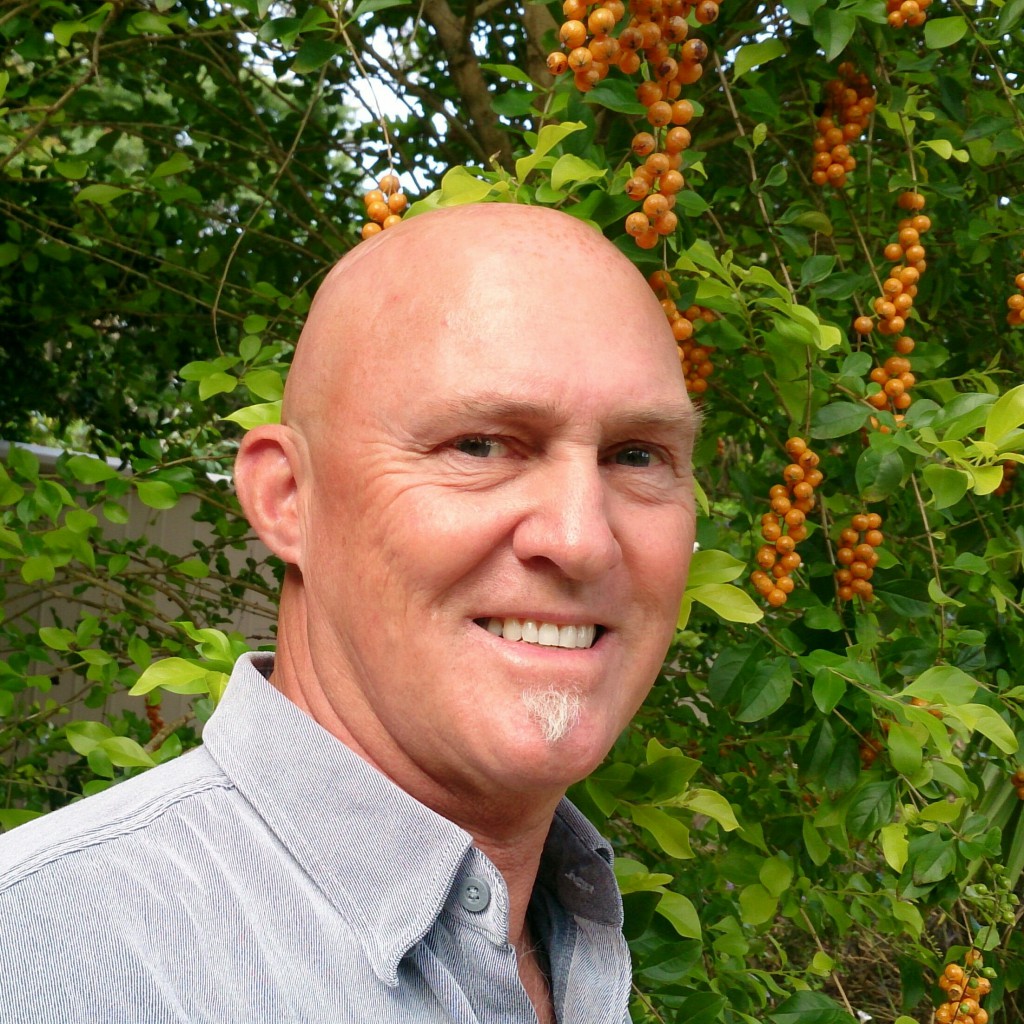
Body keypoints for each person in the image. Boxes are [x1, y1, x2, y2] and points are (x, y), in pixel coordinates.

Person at [0, 203, 698, 1022]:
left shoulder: (569, 946)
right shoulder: (48, 956)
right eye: (480, 445)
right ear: (288, 499)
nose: (581, 540)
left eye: (637, 456)